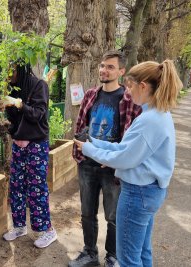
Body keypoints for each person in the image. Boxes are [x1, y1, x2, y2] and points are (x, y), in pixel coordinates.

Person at [74, 60, 182, 267]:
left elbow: (125, 159)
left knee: (129, 259)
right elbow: (126, 149)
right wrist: (94, 143)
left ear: (143, 86)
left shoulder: (150, 120)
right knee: (141, 252)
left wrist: (89, 149)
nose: (128, 91)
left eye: (131, 86)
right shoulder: (157, 114)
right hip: (148, 192)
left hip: (138, 194)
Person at [69, 51, 141, 267]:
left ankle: (112, 256)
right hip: (88, 164)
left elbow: (132, 135)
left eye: (110, 67)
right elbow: (81, 125)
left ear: (121, 71)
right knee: (87, 212)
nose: (104, 70)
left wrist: (113, 158)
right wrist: (81, 148)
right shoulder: (91, 95)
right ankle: (89, 253)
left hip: (113, 167)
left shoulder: (129, 99)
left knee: (113, 216)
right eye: (102, 66)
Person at [1, 63, 57, 249]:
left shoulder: (39, 85)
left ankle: (47, 231)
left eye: (12, 70)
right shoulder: (14, 88)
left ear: (22, 70)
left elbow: (37, 115)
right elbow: (14, 120)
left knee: (36, 188)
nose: (9, 74)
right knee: (16, 185)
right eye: (6, 71)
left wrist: (19, 103)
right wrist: (13, 133)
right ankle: (19, 226)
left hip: (36, 146)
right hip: (19, 146)